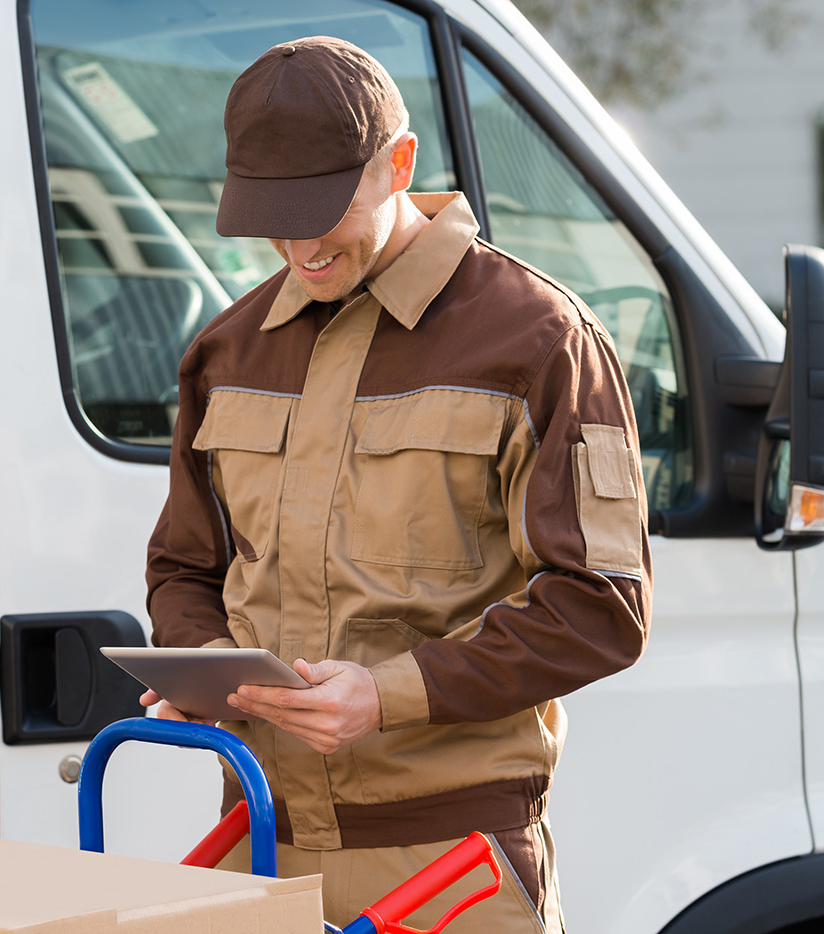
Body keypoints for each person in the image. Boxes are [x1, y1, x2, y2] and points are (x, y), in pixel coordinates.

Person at [143, 35, 651, 932]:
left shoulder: (540, 341)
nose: (298, 244)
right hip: (253, 852)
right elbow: (185, 568)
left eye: (322, 209)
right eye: (272, 214)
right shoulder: (228, 349)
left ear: (400, 165)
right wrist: (207, 666)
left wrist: (386, 695)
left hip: (451, 870)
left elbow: (601, 607)